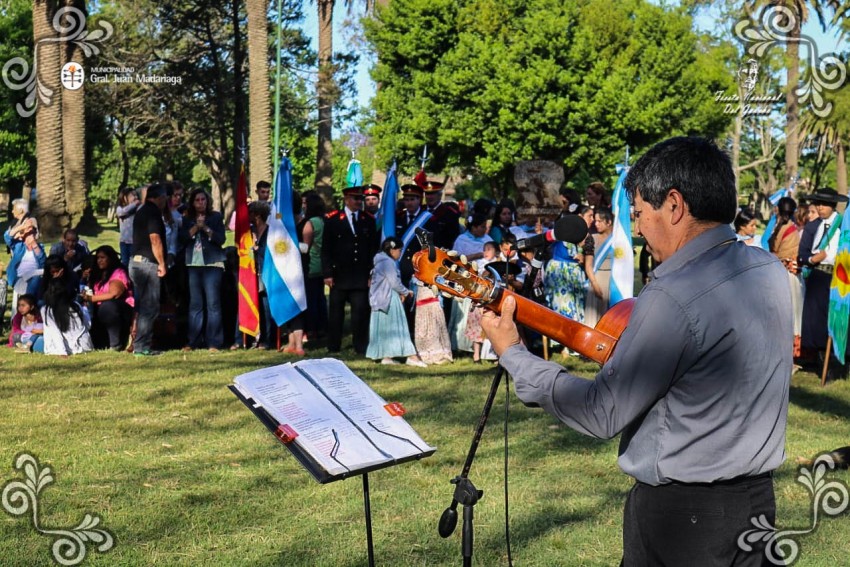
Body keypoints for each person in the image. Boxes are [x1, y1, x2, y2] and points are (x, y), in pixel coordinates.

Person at [481, 136, 791, 566]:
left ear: (675, 206)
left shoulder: (674, 295)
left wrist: (513, 353)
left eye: (641, 214)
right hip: (757, 502)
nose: (639, 228)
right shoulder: (769, 270)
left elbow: (601, 412)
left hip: (684, 520)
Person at [321, 185, 379, 354]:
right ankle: (333, 345)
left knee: (360, 313)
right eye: (356, 198)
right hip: (339, 275)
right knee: (336, 314)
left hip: (360, 275)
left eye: (360, 199)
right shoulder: (332, 219)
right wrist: (327, 273)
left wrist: (371, 272)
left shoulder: (367, 219)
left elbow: (372, 248)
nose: (359, 202)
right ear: (346, 199)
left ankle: (360, 345)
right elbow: (326, 249)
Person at [798, 188, 849, 379]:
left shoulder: (845, 224)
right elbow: (802, 255)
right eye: (818, 203)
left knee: (840, 318)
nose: (820, 207)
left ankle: (841, 363)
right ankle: (821, 362)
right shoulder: (813, 227)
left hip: (841, 278)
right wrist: (813, 259)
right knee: (817, 321)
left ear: (833, 205)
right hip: (819, 277)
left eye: (824, 204)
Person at [366, 237, 426, 366]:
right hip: (389, 298)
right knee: (399, 326)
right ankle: (411, 356)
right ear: (392, 250)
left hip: (379, 298)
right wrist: (406, 291)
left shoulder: (379, 261)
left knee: (384, 328)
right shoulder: (388, 262)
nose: (400, 253)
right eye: (399, 250)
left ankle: (386, 356)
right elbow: (394, 282)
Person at [180, 188, 226, 352]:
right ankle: (193, 341)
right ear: (192, 202)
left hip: (212, 264)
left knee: (213, 304)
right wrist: (195, 228)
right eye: (197, 200)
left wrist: (205, 228)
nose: (200, 203)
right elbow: (182, 239)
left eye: (203, 200)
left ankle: (214, 342)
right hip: (193, 264)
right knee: (195, 304)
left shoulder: (216, 217)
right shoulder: (186, 219)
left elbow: (221, 239)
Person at [129, 183, 168, 356]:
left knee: (143, 305)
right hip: (147, 264)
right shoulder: (153, 213)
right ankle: (141, 346)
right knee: (150, 307)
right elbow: (155, 239)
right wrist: (161, 263)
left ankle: (140, 345)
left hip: (135, 263)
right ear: (160, 198)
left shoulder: (141, 211)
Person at [83, 245, 134, 351]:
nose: (99, 261)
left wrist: (91, 298)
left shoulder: (119, 272)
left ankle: (115, 344)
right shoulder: (98, 274)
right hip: (100, 313)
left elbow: (114, 294)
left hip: (121, 311)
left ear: (110, 258)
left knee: (107, 306)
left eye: (103, 258)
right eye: (98, 258)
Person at [40, 257, 93, 356]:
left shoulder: (46, 310)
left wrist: (62, 352)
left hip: (64, 348)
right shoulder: (76, 305)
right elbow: (88, 324)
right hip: (85, 346)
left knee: (37, 341)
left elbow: (55, 332)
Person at [4, 214, 45, 308]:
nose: (31, 234)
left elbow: (43, 263)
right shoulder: (18, 246)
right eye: (28, 231)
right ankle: (30, 307)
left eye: (33, 231)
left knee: (38, 281)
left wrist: (35, 245)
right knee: (38, 280)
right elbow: (7, 237)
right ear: (23, 234)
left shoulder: (40, 247)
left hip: (35, 278)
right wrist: (22, 227)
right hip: (20, 279)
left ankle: (31, 307)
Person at [583, 207, 614, 328]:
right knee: (595, 319)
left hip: (613, 282)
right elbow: (588, 265)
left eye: (599, 221)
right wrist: (595, 284)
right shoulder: (592, 239)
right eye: (595, 221)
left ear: (609, 222)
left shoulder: (618, 239)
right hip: (597, 280)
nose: (596, 224)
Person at [116, 187, 140, 265]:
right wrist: (134, 204)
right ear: (125, 198)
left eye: (136, 195)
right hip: (124, 242)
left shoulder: (137, 209)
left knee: (134, 263)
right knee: (125, 263)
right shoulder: (120, 208)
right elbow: (121, 213)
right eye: (132, 195)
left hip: (134, 242)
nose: (136, 197)